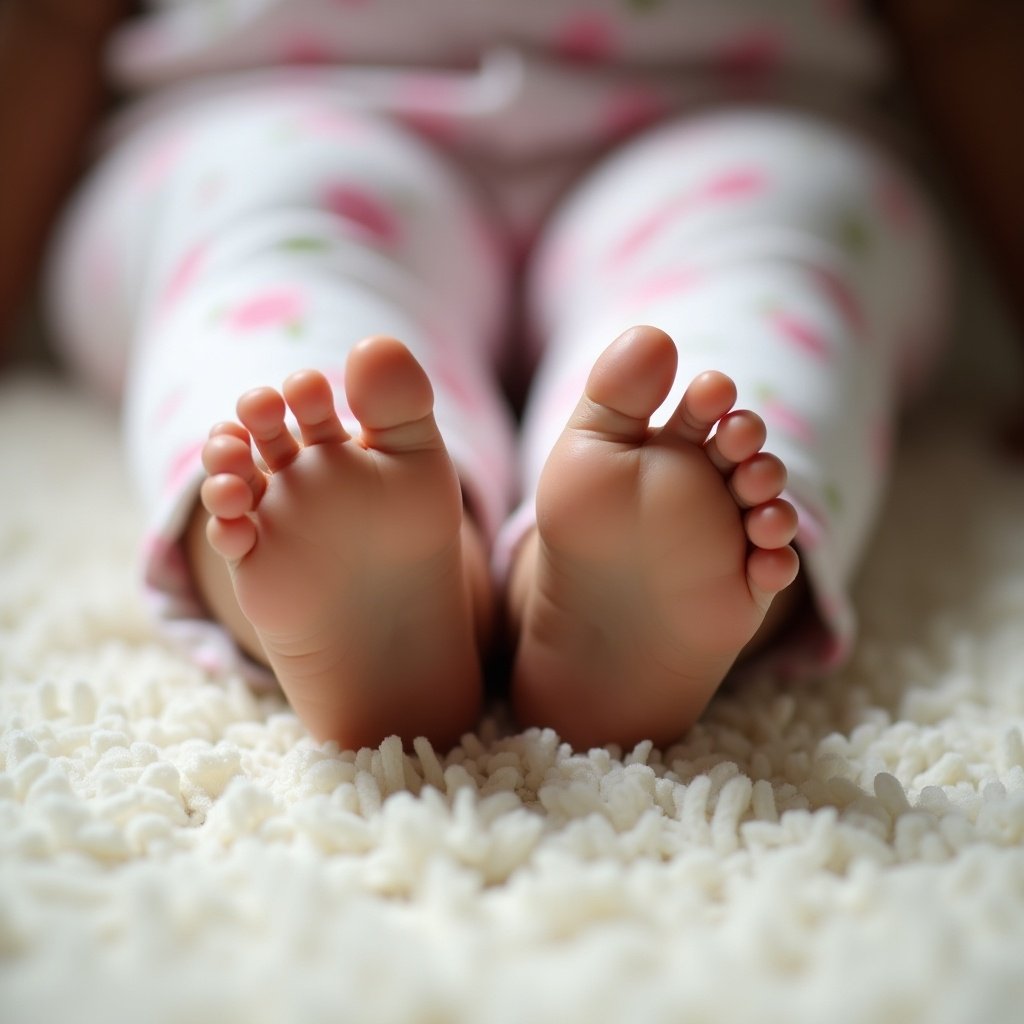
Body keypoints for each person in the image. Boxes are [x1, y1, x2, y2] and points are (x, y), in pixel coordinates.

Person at [0, 0, 1019, 752]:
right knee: (265, 246)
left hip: (730, 117)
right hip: (276, 108)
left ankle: (640, 572)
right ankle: (368, 567)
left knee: (772, 242)